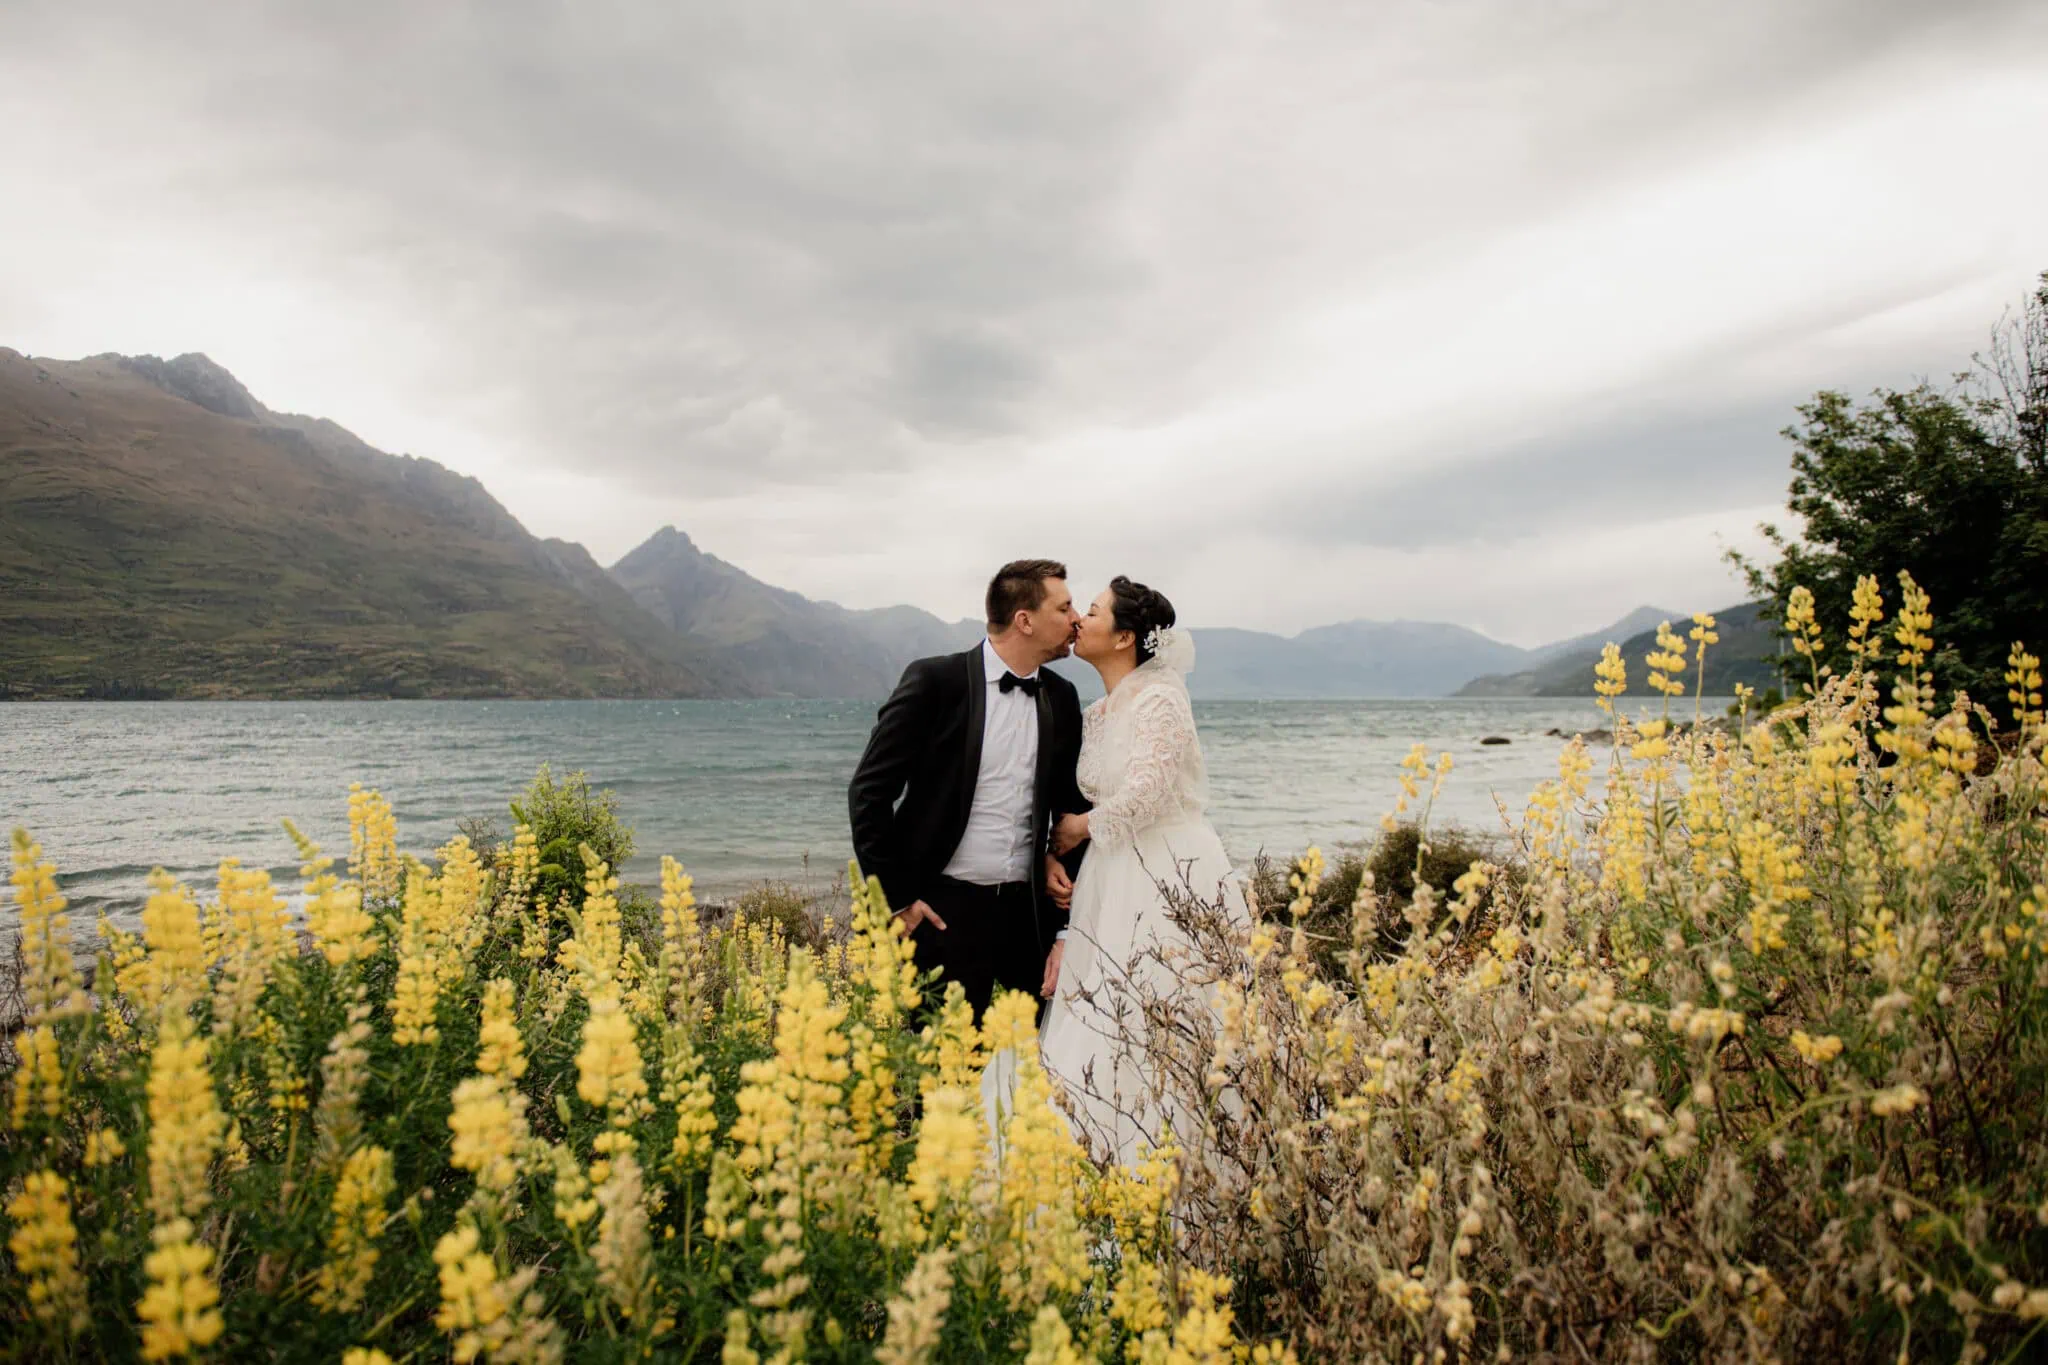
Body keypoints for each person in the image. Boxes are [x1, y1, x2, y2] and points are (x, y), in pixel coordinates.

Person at [1026, 575, 1248, 1167]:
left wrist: (1080, 828)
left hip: (1169, 871)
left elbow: (1148, 791)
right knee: (1101, 1011)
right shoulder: (1097, 712)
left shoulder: (1161, 698)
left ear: (1124, 636)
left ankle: (1181, 1162)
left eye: (1091, 611)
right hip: (1110, 876)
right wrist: (1057, 847)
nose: (1079, 619)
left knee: (1164, 1007)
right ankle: (1095, 1152)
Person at [847, 558, 1088, 1022]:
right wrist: (895, 901)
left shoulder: (1061, 697)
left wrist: (1063, 930)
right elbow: (868, 793)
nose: (1075, 618)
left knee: (1048, 1061)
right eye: (1065, 607)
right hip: (941, 913)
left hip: (1028, 915)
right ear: (1025, 620)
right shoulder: (935, 682)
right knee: (941, 1076)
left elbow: (1071, 809)